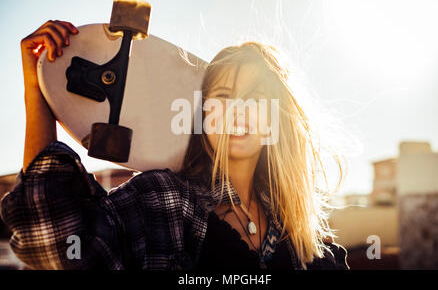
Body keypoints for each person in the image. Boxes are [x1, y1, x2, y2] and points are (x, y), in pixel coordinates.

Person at [0, 20, 349, 270]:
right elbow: (50, 241)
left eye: (256, 99)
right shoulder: (164, 198)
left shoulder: (301, 231)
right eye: (223, 97)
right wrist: (38, 91)